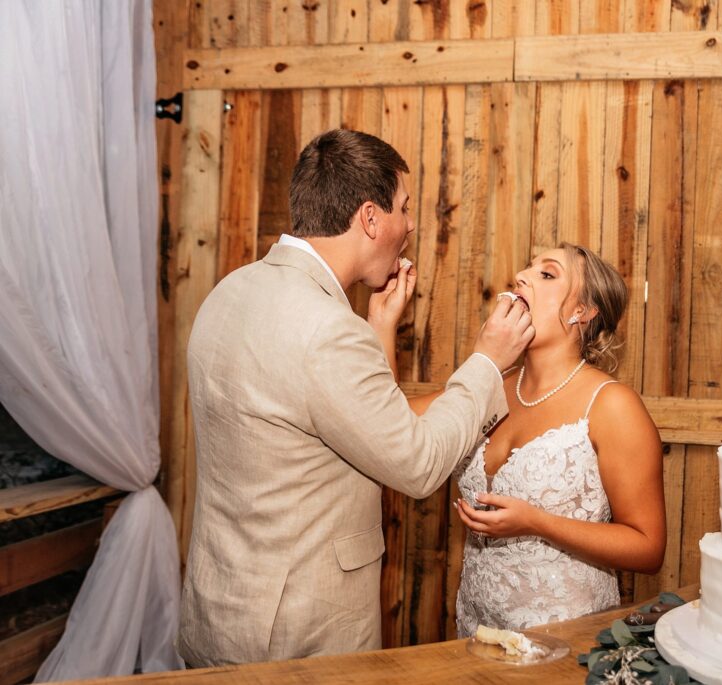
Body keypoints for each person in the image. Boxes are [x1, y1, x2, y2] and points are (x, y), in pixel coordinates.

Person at [177, 129, 534, 666]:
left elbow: (343, 420)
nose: (411, 225)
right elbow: (415, 465)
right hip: (293, 635)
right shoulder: (327, 331)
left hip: (218, 606)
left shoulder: (230, 291)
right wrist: (487, 361)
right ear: (370, 218)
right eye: (404, 208)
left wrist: (380, 327)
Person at [451, 243, 666, 635]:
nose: (521, 278)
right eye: (526, 269)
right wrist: (383, 319)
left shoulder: (612, 405)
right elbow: (393, 419)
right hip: (476, 631)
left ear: (581, 311)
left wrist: (537, 523)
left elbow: (648, 548)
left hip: (564, 637)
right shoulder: (491, 386)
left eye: (546, 274)